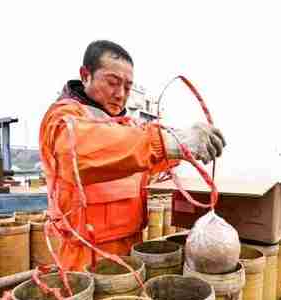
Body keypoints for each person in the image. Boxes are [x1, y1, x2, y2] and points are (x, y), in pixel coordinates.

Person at [39, 40, 226, 271]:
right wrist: (168, 142)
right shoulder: (63, 118)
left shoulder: (128, 127)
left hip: (132, 248)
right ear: (85, 75)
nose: (120, 94)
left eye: (128, 87)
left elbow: (141, 160)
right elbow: (79, 152)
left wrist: (184, 146)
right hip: (85, 256)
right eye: (112, 83)